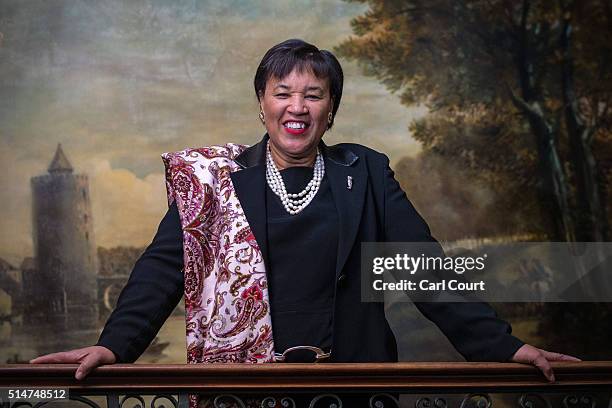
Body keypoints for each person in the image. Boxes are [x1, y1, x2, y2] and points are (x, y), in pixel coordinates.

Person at [31, 38, 579, 405]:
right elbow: (163, 269)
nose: (298, 106)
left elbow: (423, 270)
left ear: (331, 109)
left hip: (355, 389)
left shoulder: (365, 171)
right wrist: (113, 346)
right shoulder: (214, 180)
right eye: (283, 92)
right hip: (245, 393)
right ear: (262, 104)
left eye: (314, 94)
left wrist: (504, 348)